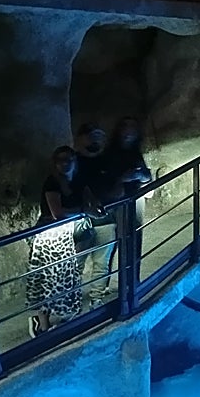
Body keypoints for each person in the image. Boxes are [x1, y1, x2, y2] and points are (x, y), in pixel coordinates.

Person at [27, 146, 95, 337]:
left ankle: (59, 319)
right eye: (60, 160)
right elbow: (58, 213)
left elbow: (90, 199)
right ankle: (42, 324)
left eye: (68, 159)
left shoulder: (77, 180)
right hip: (48, 238)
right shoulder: (52, 183)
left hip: (64, 236)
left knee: (63, 279)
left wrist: (93, 207)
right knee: (45, 280)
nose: (64, 163)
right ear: (55, 163)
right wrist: (84, 211)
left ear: (75, 160)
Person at [73, 122, 118, 302]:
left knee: (101, 262)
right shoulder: (74, 161)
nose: (94, 140)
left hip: (105, 217)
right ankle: (73, 300)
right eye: (91, 136)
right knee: (78, 263)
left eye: (98, 137)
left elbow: (116, 186)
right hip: (82, 219)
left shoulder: (107, 160)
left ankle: (96, 298)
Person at [106, 116, 153, 279]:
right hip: (120, 201)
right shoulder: (110, 154)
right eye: (125, 129)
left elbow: (147, 176)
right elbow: (105, 179)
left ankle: (133, 279)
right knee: (122, 241)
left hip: (136, 198)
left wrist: (142, 175)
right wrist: (123, 178)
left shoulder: (135, 152)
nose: (128, 133)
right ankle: (123, 282)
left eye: (132, 129)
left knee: (135, 239)